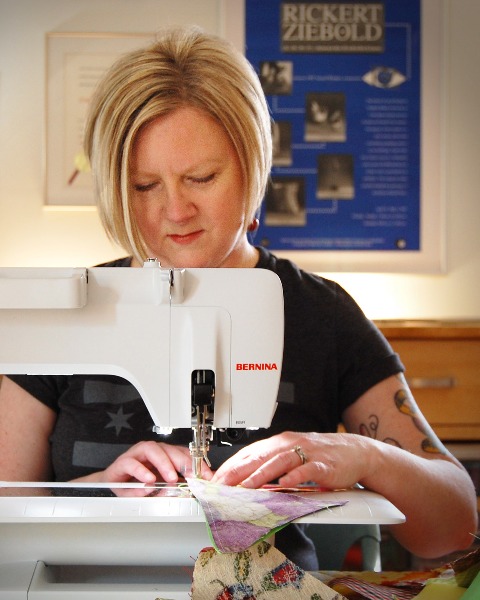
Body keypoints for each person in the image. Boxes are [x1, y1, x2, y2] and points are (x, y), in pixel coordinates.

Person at [0, 26, 476, 570]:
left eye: (201, 178)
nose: (175, 211)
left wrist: (363, 454)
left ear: (252, 166)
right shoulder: (67, 313)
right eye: (144, 186)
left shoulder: (321, 314)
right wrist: (98, 493)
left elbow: (454, 525)